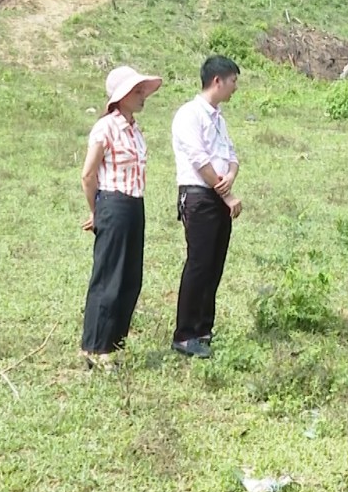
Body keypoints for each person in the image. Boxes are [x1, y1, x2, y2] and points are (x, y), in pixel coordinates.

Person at [80, 65, 162, 369]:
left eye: (142, 90)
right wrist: (96, 210)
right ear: (122, 95)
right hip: (113, 202)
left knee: (130, 278)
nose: (142, 96)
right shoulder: (106, 127)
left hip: (134, 205)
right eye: (137, 91)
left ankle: (112, 345)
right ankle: (94, 347)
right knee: (108, 277)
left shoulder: (135, 129)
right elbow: (88, 174)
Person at [169, 56, 243, 358]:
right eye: (233, 81)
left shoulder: (219, 118)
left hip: (219, 193)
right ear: (217, 81)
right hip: (200, 196)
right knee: (198, 264)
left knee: (215, 265)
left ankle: (203, 329)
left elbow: (232, 155)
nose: (235, 88)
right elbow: (199, 160)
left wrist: (231, 177)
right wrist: (225, 193)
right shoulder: (189, 114)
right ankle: (185, 334)